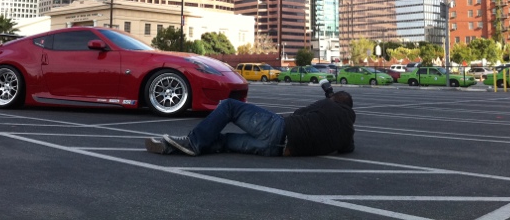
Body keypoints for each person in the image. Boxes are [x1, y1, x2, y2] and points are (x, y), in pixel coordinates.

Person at [145, 86, 355, 157]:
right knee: (224, 142)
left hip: (279, 129)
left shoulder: (329, 105)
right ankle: (171, 147)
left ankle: (192, 142)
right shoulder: (348, 133)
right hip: (277, 151)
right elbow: (348, 149)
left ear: (335, 100)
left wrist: (327, 100)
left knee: (229, 106)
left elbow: (298, 112)